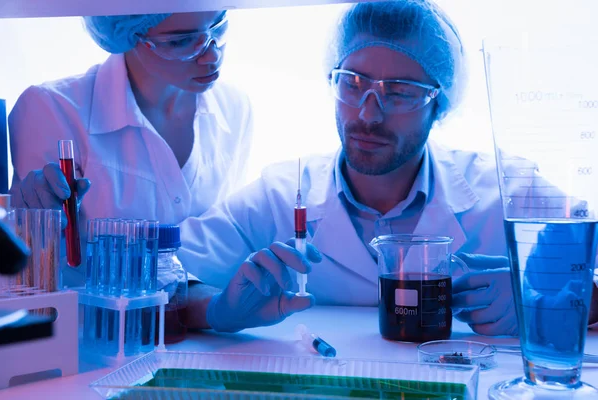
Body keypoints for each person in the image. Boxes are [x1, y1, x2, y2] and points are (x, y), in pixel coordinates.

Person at [179, 0, 524, 336]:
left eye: (400, 92)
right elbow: (168, 271)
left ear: (440, 104)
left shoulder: (503, 192)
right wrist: (213, 310)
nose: (367, 115)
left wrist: (540, 299)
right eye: (353, 83)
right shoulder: (278, 195)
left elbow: (577, 270)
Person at [8, 11, 254, 286]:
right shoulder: (51, 110)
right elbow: (42, 269)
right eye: (181, 42)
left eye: (218, 28)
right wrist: (33, 220)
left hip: (208, 323)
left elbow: (224, 236)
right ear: (127, 33)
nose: (212, 57)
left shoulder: (235, 108)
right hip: (99, 324)